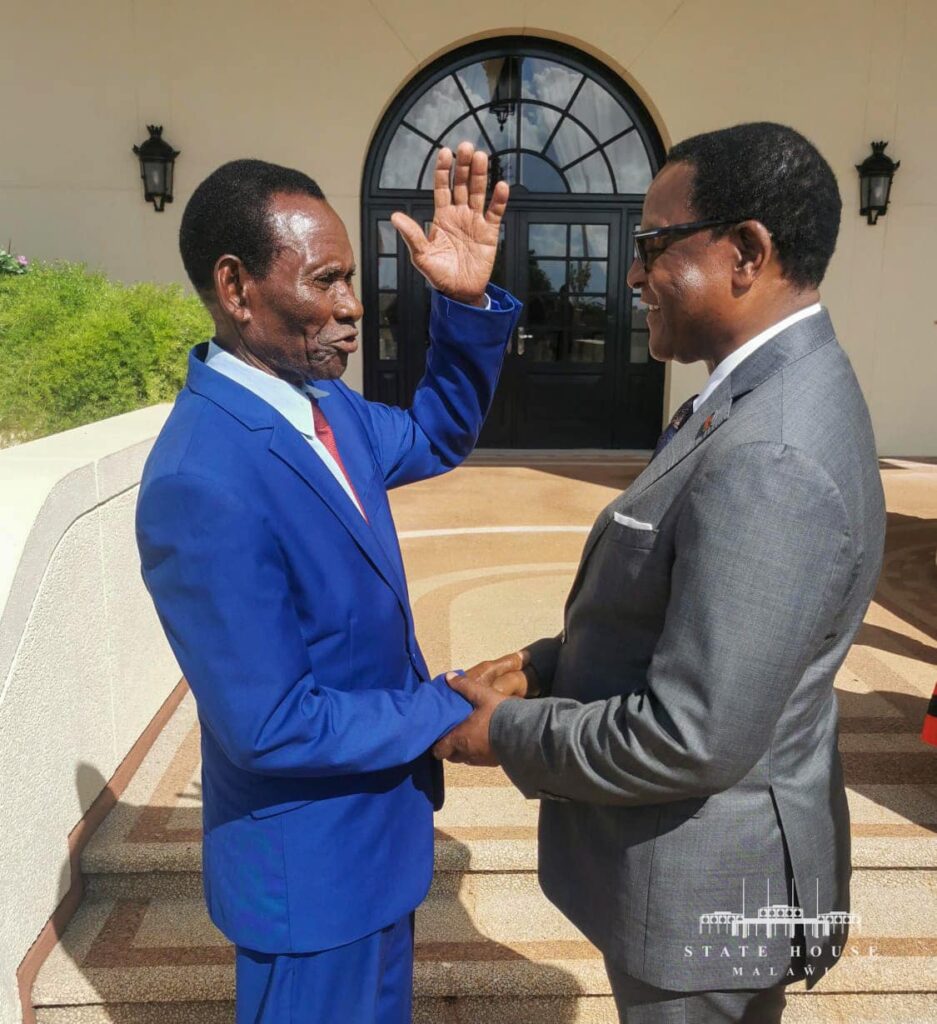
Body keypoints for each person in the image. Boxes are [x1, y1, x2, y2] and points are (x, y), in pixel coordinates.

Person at [433, 122, 886, 1023]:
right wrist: (543, 664)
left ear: (746, 252)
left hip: (704, 901)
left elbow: (691, 733)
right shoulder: (749, 393)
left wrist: (509, 733)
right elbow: (670, 608)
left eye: (652, 245)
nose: (634, 274)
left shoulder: (775, 452)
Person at [135, 143, 520, 1024]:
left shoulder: (327, 406)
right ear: (236, 289)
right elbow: (270, 724)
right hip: (306, 884)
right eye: (325, 281)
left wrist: (460, 302)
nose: (351, 308)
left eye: (351, 280)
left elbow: (434, 435)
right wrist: (445, 705)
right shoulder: (202, 479)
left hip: (373, 848)